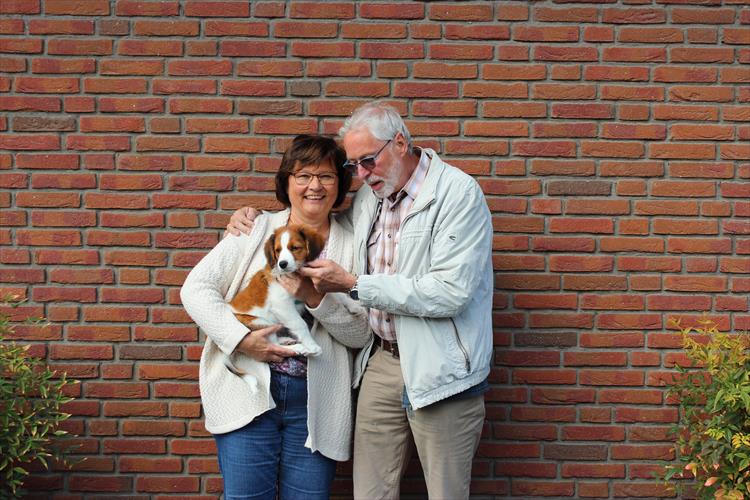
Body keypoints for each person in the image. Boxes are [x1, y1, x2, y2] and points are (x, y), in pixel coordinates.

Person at [227, 102, 494, 500]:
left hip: (442, 366)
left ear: (400, 143)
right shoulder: (371, 197)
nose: (362, 175)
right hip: (382, 360)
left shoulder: (457, 194)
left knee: (446, 492)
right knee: (370, 491)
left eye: (368, 161)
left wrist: (354, 284)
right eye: (354, 166)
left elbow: (450, 292)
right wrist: (252, 216)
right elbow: (321, 223)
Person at [181, 134, 370, 499]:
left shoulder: (353, 244)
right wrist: (242, 340)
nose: (314, 186)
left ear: (340, 184)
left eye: (326, 176)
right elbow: (195, 289)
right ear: (287, 181)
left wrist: (313, 297)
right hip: (249, 390)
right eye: (304, 176)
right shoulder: (256, 230)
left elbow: (361, 333)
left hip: (315, 403)